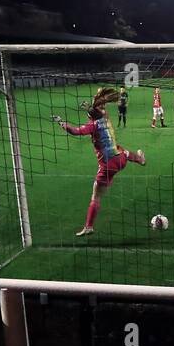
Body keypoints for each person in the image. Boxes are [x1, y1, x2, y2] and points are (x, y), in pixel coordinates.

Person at [52, 87, 146, 237]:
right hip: (121, 160)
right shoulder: (107, 118)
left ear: (90, 116)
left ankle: (88, 227)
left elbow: (75, 131)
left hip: (108, 166)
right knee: (123, 151)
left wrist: (61, 122)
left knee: (96, 197)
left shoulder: (92, 126)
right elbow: (98, 110)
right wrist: (95, 102)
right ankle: (140, 159)